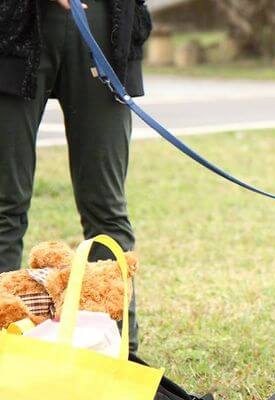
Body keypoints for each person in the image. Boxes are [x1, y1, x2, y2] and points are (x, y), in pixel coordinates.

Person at [0, 0, 152, 354]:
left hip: (105, 22)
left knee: (106, 210)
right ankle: (3, 347)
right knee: (5, 205)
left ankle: (118, 352)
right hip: (14, 21)